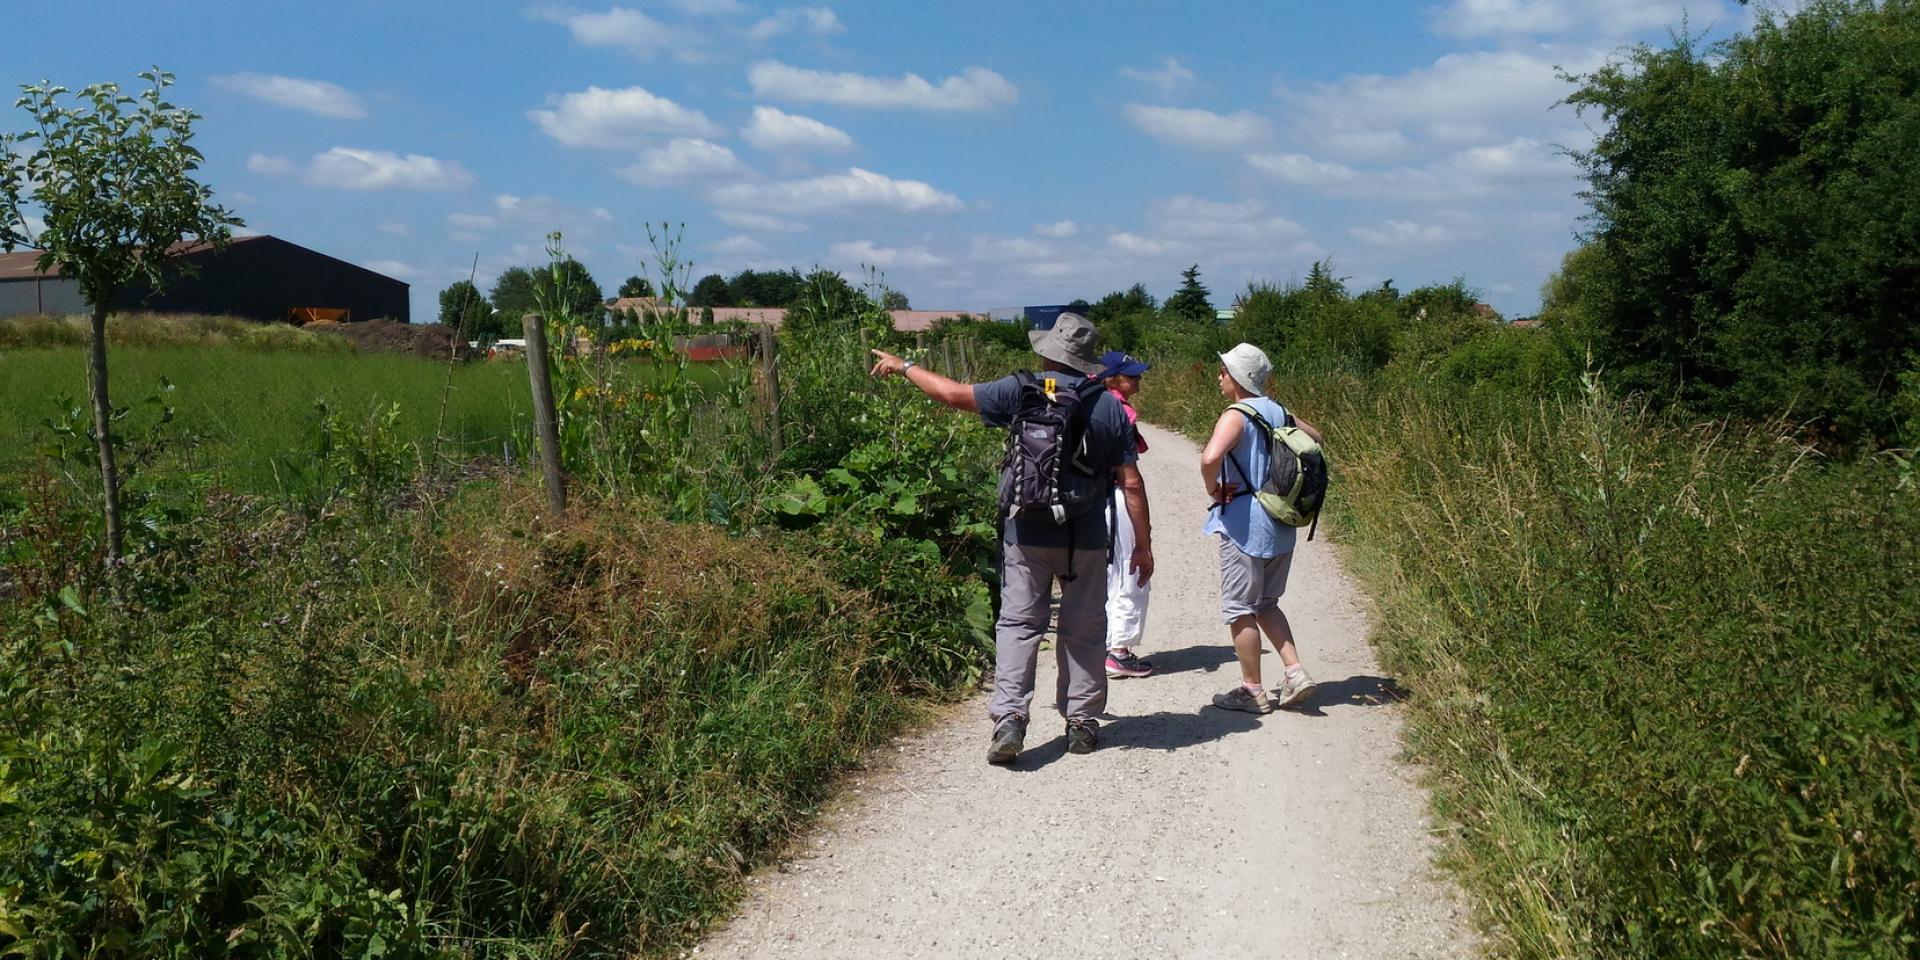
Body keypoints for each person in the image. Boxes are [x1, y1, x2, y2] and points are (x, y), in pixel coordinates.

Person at [869, 314, 1153, 763]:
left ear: (1048, 352)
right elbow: (1131, 484)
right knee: (1083, 628)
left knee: (1020, 625)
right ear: (1087, 361)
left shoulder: (1021, 389)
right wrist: (1143, 545)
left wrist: (905, 365)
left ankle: (1010, 720)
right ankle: (1081, 722)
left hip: (1026, 530)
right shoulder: (1109, 407)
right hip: (1086, 535)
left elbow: (951, 394)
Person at [1200, 343, 1325, 714]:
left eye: (1224, 370)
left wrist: (1214, 489)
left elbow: (1210, 457)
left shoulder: (1236, 414)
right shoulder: (1279, 410)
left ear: (1237, 377)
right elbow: (1316, 438)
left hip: (1244, 523)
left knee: (1240, 608)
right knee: (1268, 603)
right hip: (1281, 520)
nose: (1219, 375)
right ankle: (1295, 672)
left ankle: (1252, 690)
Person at [1094, 350, 1154, 679]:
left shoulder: (1091, 404)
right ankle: (1118, 651)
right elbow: (1130, 480)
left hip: (1089, 501)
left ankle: (1103, 645)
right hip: (1114, 499)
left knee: (1104, 574)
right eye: (1132, 375)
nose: (1138, 380)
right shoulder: (1120, 411)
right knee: (1130, 570)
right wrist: (1144, 538)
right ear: (1113, 378)